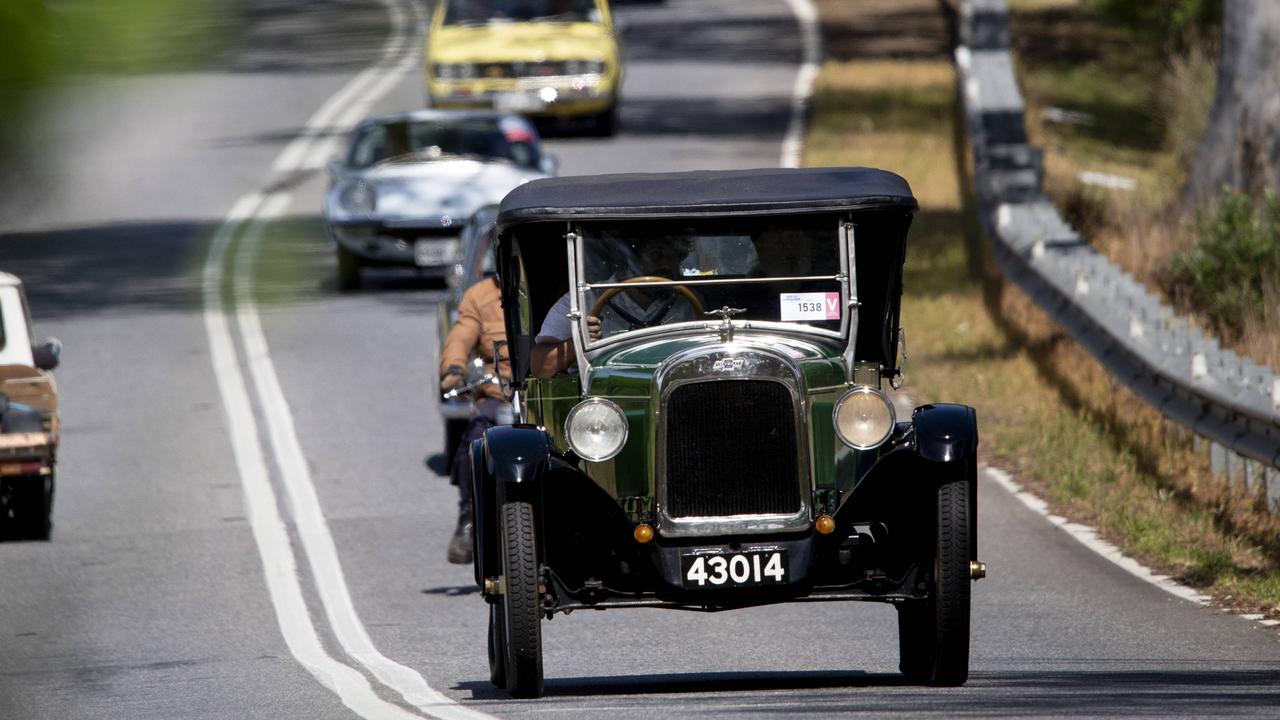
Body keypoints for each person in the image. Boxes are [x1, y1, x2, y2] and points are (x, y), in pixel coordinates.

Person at [531, 234, 697, 378]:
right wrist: (578, 342)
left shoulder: (686, 304)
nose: (666, 265)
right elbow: (541, 368)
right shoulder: (582, 301)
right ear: (632, 259)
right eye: (656, 255)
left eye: (674, 256)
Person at [438, 274, 511, 564]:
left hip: (547, 396)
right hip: (498, 397)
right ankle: (469, 520)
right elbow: (461, 335)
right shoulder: (479, 295)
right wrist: (454, 367)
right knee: (473, 446)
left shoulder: (556, 288)